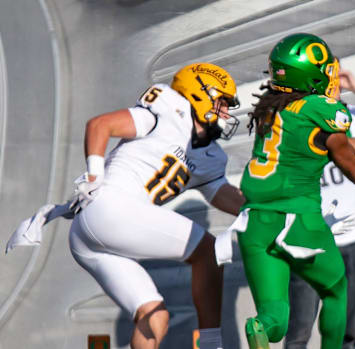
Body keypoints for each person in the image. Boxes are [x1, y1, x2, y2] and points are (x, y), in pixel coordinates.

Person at [235, 33, 355, 349]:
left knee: (276, 321)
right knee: (335, 293)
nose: (333, 76)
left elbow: (333, 145)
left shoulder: (273, 109)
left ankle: (260, 325)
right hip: (300, 225)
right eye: (327, 70)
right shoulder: (324, 110)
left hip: (255, 224)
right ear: (313, 75)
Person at [68, 62, 245, 349]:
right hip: (110, 206)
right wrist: (94, 176)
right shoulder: (168, 108)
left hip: (88, 237)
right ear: (200, 94)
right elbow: (100, 125)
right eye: (222, 103)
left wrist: (263, 208)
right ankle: (213, 344)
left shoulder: (210, 156)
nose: (225, 112)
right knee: (209, 251)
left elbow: (223, 195)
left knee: (154, 318)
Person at [284, 70, 355, 349]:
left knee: (347, 335)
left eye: (332, 78)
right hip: (308, 245)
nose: (330, 86)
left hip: (352, 245)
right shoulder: (296, 123)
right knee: (299, 334)